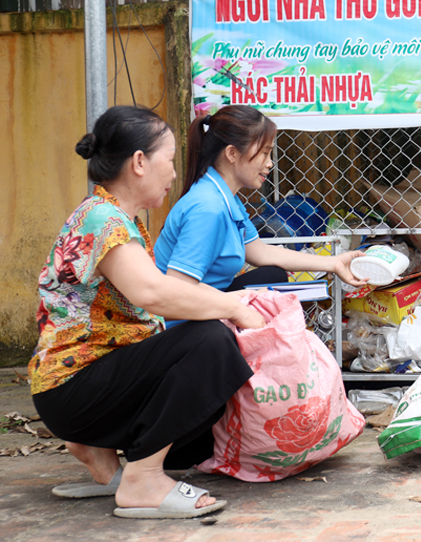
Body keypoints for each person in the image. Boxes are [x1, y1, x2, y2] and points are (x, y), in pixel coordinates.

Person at [29, 106, 267, 519]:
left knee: (204, 421)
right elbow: (154, 292)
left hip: (72, 388)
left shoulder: (110, 216)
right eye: (170, 161)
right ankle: (144, 480)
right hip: (73, 389)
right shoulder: (103, 219)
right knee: (211, 340)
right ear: (139, 162)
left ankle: (106, 465)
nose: (175, 174)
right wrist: (234, 307)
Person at [154, 105, 365, 312]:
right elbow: (178, 287)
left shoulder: (226, 197)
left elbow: (260, 252)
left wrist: (334, 263)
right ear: (232, 154)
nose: (270, 163)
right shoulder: (208, 208)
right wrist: (234, 305)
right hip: (180, 320)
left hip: (205, 304)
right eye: (264, 153)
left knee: (273, 276)